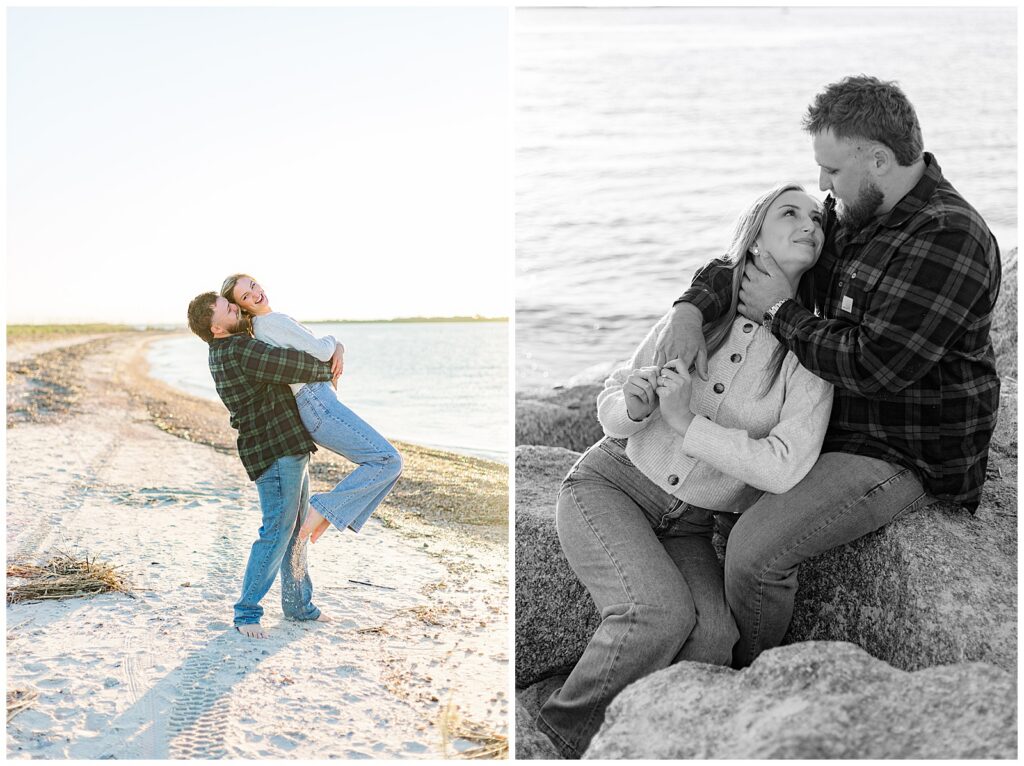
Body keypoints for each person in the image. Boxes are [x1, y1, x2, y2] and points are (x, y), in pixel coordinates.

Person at [656, 76, 1002, 670]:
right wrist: (691, 308)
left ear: (879, 159)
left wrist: (778, 313)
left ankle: (756, 675)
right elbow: (757, 255)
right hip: (824, 426)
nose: (822, 187)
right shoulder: (856, 209)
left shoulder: (949, 236)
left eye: (832, 171)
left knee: (752, 551)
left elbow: (873, 365)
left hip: (898, 448)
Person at [537, 184, 834, 759]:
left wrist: (684, 421)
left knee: (715, 638)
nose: (809, 225)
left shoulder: (809, 349)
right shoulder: (696, 315)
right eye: (790, 213)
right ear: (756, 230)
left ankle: (642, 742)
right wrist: (637, 406)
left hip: (692, 525)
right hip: (611, 484)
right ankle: (557, 737)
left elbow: (783, 467)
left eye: (818, 220)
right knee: (656, 614)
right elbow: (611, 400)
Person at [186, 292, 339, 639]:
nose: (236, 308)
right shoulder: (240, 350)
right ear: (216, 328)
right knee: (277, 531)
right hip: (274, 449)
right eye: (228, 308)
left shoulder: (226, 350)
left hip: (283, 445)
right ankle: (247, 611)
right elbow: (293, 365)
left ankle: (299, 605)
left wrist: (331, 352)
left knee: (297, 529)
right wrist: (330, 362)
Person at [219, 274, 403, 545]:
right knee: (389, 460)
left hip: (315, 406)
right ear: (243, 307)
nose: (256, 294)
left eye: (254, 286)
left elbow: (314, 356)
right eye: (246, 296)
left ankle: (328, 512)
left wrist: (335, 350)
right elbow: (320, 350)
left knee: (385, 461)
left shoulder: (262, 328)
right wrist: (336, 341)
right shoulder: (272, 322)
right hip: (318, 404)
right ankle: (325, 508)